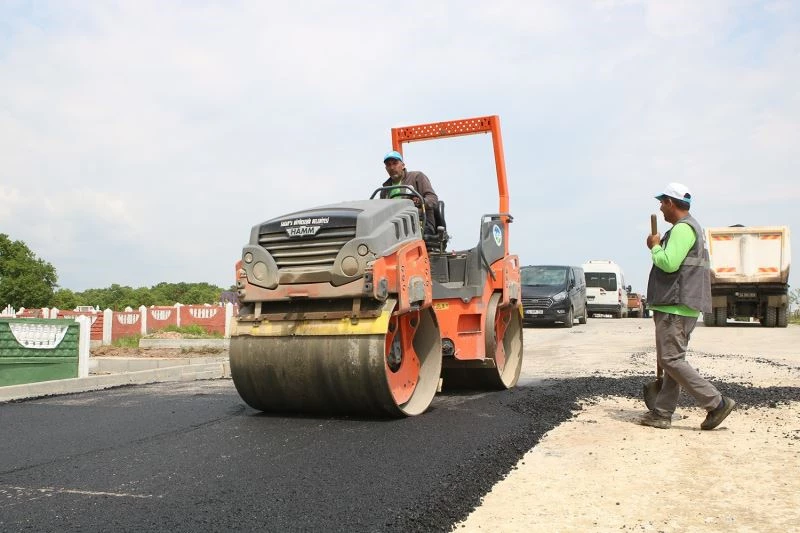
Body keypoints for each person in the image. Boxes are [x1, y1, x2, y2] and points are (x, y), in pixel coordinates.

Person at [639, 182, 735, 430]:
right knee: (673, 363)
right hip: (681, 305)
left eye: (662, 202)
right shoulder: (690, 228)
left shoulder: (683, 229)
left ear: (671, 202)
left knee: (671, 360)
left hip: (675, 306)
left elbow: (669, 263)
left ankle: (716, 403)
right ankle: (661, 413)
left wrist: (655, 246)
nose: (660, 208)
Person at [380, 150, 439, 236]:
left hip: (420, 222)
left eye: (395, 163)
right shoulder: (385, 189)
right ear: (386, 169)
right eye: (388, 165)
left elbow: (433, 199)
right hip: (393, 226)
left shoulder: (417, 177)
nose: (392, 167)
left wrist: (420, 201)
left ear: (403, 165)